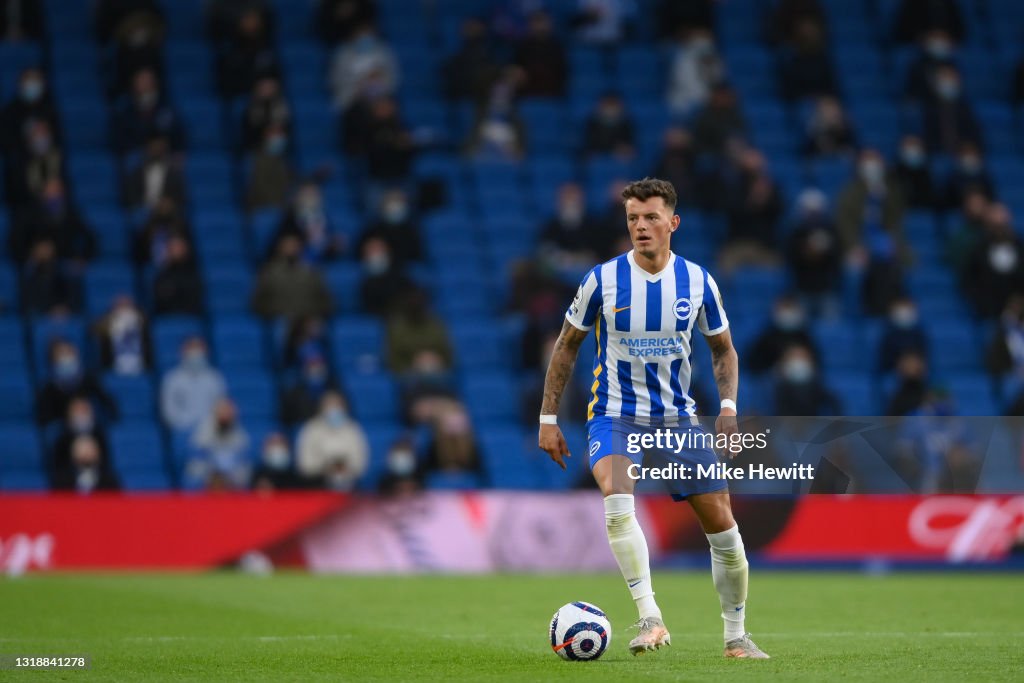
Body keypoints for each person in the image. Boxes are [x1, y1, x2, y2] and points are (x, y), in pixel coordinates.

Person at [537, 178, 769, 658]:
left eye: (650, 218)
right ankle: (650, 618)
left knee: (724, 530)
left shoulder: (699, 281)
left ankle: (736, 636)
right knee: (616, 499)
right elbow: (566, 347)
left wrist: (728, 409)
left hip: (677, 421)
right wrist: (547, 417)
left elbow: (723, 350)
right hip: (614, 415)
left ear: (672, 223)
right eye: (632, 219)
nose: (640, 227)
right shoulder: (601, 280)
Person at [295, 391, 369, 489]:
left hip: (349, 482)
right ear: (321, 408)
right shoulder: (311, 429)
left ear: (344, 408)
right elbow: (305, 464)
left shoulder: (353, 429)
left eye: (337, 405)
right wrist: (326, 467)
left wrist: (345, 468)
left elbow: (360, 463)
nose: (333, 409)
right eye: (329, 405)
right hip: (318, 482)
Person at [250, 235, 334, 320]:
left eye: (294, 245)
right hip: (276, 319)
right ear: (280, 247)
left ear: (300, 247)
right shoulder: (269, 272)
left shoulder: (312, 272)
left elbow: (325, 301)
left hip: (306, 320)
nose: (291, 248)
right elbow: (258, 301)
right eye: (287, 245)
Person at [35, 340, 118, 426]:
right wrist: (68, 416)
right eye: (61, 354)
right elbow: (43, 419)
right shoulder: (49, 388)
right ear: (53, 360)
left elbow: (109, 406)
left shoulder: (89, 380)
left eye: (69, 352)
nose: (66, 358)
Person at [160, 336, 226, 433]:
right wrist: (184, 427)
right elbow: (168, 412)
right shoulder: (171, 379)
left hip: (210, 432)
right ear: (183, 351)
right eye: (192, 348)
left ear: (206, 352)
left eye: (199, 349)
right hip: (181, 430)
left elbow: (222, 408)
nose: (196, 353)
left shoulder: (214, 378)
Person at [328, 24, 398, 111]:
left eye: (368, 34)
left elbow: (393, 77)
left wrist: (378, 78)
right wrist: (359, 82)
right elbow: (335, 79)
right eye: (361, 34)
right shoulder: (343, 53)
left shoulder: (383, 51)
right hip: (350, 96)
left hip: (379, 97)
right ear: (354, 35)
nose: (365, 38)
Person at [187, 397, 251, 490]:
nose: (225, 415)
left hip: (230, 476)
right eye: (222, 411)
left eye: (228, 412)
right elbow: (196, 459)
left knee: (242, 475)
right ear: (215, 412)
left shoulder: (240, 435)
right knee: (195, 471)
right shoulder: (203, 431)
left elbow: (243, 463)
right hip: (207, 472)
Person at [746, 295, 820, 375]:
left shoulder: (805, 337)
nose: (787, 313)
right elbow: (754, 364)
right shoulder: (766, 337)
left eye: (790, 308)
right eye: (785, 307)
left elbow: (817, 364)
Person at [666, 28, 724, 117]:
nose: (704, 45)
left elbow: (719, 80)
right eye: (700, 41)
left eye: (706, 41)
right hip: (685, 99)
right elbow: (685, 82)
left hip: (709, 100)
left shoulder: (715, 59)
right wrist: (704, 98)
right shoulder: (684, 59)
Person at [121, 134, 187, 210]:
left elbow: (181, 198)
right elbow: (129, 196)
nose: (157, 150)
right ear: (147, 149)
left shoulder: (174, 174)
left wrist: (168, 203)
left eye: (160, 147)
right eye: (154, 147)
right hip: (141, 212)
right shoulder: (137, 173)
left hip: (167, 212)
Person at [772, 344, 841, 415]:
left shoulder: (817, 387)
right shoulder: (775, 389)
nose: (798, 362)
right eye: (794, 357)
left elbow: (834, 405)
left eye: (802, 357)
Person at [93, 295, 152, 374]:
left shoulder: (142, 323)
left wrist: (137, 320)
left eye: (127, 305)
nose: (124, 309)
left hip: (141, 368)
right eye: (120, 306)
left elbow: (148, 324)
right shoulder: (108, 323)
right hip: (114, 369)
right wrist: (111, 321)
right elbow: (93, 331)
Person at [513, 11, 567, 98]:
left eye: (542, 22)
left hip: (551, 91)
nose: (539, 26)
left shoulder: (557, 46)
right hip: (527, 90)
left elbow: (561, 71)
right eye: (536, 22)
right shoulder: (523, 46)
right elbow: (518, 67)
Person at [152, 235, 204, 315]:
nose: (175, 251)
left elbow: (194, 299)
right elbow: (159, 300)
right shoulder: (162, 275)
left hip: (189, 315)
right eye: (172, 247)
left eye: (178, 247)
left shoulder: (193, 274)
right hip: (167, 316)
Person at [51, 434, 121, 493]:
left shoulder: (110, 480)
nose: (86, 453)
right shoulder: (62, 481)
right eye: (81, 449)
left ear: (98, 452)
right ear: (72, 454)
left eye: (89, 448)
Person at [877, 297, 929, 374]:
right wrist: (901, 364)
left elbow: (925, 358)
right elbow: (884, 361)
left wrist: (914, 364)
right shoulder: (889, 336)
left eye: (908, 309)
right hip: (894, 372)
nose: (904, 313)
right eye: (901, 309)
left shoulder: (919, 335)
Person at [583, 92, 635, 158]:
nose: (610, 110)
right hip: (598, 158)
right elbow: (589, 146)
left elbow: (630, 146)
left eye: (613, 106)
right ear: (600, 107)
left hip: (619, 159)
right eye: (607, 106)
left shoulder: (626, 125)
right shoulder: (592, 124)